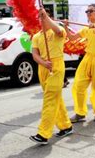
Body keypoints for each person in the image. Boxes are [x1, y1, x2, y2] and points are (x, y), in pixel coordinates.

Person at [29, 9, 73, 145]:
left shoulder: (57, 31)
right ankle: (66, 126)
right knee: (55, 98)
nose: (41, 20)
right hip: (43, 68)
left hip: (56, 67)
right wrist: (43, 63)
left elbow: (59, 31)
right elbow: (34, 54)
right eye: (40, 18)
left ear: (49, 18)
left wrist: (46, 17)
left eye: (44, 17)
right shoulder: (36, 36)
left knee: (49, 99)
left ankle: (43, 133)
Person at [64, 4, 95, 123]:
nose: (88, 13)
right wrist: (66, 27)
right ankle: (80, 113)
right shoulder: (86, 28)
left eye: (91, 11)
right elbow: (73, 38)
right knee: (78, 85)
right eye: (87, 11)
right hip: (87, 57)